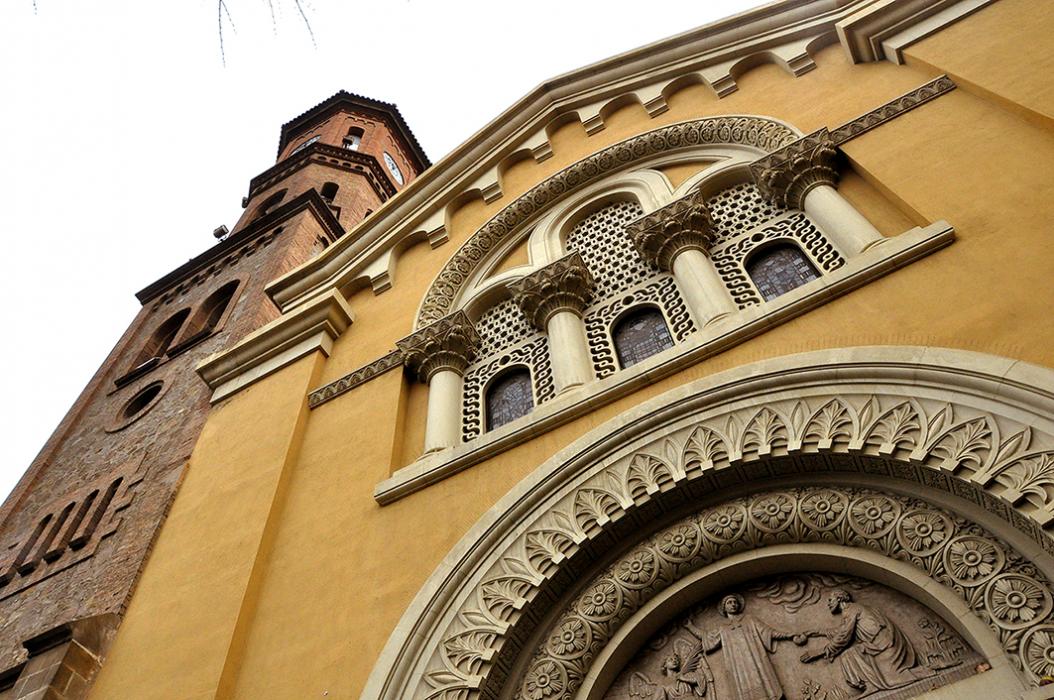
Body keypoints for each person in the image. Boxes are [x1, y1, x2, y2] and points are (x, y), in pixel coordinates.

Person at [800, 589, 925, 692]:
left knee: (848, 655)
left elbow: (844, 635)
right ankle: (870, 684)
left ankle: (869, 685)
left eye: (830, 600)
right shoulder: (853, 609)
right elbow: (842, 630)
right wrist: (814, 633)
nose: (828, 604)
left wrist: (821, 651)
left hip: (883, 645)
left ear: (839, 599)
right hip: (879, 643)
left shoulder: (851, 610)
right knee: (851, 654)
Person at [686, 594, 807, 700]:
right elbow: (707, 637)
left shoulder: (749, 620)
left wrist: (789, 635)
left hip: (755, 661)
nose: (733, 604)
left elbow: (769, 632)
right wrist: (690, 627)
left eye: (735, 602)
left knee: (764, 684)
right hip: (737, 666)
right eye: (729, 603)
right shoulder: (723, 628)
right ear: (724, 608)